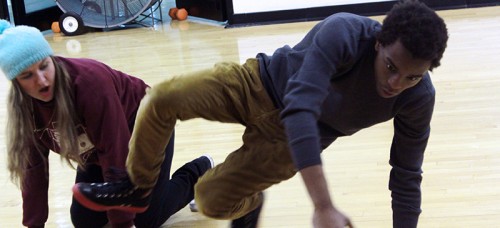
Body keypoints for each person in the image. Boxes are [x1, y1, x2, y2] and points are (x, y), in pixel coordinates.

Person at [72, 0, 449, 227]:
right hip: (258, 82)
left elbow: (405, 176)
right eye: (391, 67)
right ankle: (137, 188)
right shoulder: (346, 32)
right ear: (379, 42)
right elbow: (301, 106)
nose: (396, 83)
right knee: (161, 98)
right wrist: (323, 205)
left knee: (210, 200)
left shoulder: (417, 100)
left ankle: (250, 204)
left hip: (290, 142)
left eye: (413, 76)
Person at [0, 19, 214, 228]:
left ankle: (200, 170)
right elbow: (34, 171)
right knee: (85, 220)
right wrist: (34, 224)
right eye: (27, 76)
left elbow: (115, 150)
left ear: (52, 59)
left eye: (44, 66)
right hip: (97, 148)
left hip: (147, 125)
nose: (42, 80)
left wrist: (123, 222)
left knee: (145, 219)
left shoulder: (90, 83)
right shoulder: (25, 110)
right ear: (16, 83)